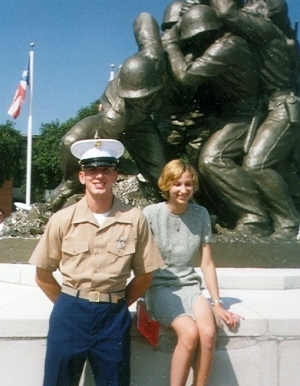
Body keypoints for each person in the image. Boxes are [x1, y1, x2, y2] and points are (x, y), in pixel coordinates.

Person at [29, 138, 164, 386]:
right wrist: (71, 303)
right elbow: (42, 275)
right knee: (59, 381)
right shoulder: (62, 220)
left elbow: (145, 276)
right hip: (70, 313)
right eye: (92, 170)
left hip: (113, 316)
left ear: (116, 176)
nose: (99, 176)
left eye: (106, 169)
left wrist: (115, 301)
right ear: (82, 176)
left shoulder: (134, 220)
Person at [163, 5, 273, 236]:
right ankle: (217, 213)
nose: (197, 43)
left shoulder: (228, 46)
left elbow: (186, 76)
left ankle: (255, 218)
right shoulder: (217, 44)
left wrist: (171, 45)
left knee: (214, 159)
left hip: (245, 116)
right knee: (196, 155)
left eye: (200, 38)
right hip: (224, 116)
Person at [46, 13, 167, 212]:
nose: (144, 102)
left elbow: (143, 19)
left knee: (160, 172)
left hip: (141, 125)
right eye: (137, 100)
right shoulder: (115, 116)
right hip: (109, 121)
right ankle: (69, 183)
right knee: (69, 142)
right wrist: (126, 165)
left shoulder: (155, 60)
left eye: (148, 96)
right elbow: (98, 151)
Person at [144, 159, 242, 386]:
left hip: (190, 287)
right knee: (189, 333)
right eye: (177, 184)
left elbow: (207, 262)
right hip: (160, 288)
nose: (183, 190)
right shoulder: (151, 213)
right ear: (167, 184)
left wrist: (217, 303)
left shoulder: (201, 214)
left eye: (188, 184)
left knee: (208, 333)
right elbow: (140, 259)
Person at [211, 0, 300, 239]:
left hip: (283, 107)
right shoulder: (269, 36)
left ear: (263, 16)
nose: (245, 12)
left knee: (258, 165)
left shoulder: (268, 31)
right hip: (270, 108)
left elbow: (227, 12)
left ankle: (289, 225)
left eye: (250, 8)